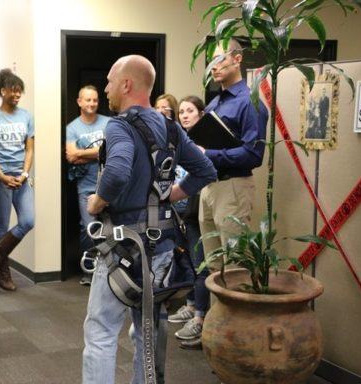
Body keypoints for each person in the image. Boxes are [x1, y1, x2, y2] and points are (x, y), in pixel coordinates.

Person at [82, 55, 216, 383]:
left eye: (111, 81)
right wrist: (168, 196)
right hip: (163, 248)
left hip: (124, 248)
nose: (107, 88)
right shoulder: (169, 126)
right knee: (148, 327)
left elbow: (115, 172)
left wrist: (96, 203)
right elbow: (205, 170)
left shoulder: (119, 125)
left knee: (101, 331)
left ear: (127, 84)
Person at [198, 38, 268, 271]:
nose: (214, 66)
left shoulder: (250, 102)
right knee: (213, 266)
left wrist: (208, 153)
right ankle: (215, 310)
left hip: (233, 187)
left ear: (237, 59)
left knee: (235, 267)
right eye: (211, 61)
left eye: (220, 58)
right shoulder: (214, 103)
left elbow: (253, 154)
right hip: (209, 186)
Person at [0, 69, 34, 292]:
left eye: (20, 91)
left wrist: (23, 174)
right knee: (2, 224)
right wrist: (1, 176)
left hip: (20, 177)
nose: (17, 94)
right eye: (13, 90)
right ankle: (4, 272)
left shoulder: (26, 116)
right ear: (3, 91)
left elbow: (29, 149)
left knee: (28, 220)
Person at [167, 95, 210, 351]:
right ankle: (193, 305)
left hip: (197, 212)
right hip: (183, 214)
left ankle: (200, 318)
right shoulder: (182, 142)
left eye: (190, 111)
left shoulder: (204, 144)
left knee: (201, 266)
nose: (184, 115)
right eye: (181, 111)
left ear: (201, 115)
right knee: (192, 264)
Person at [65, 85, 109, 286]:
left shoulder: (109, 123)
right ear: (79, 102)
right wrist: (98, 152)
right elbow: (71, 157)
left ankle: (108, 270)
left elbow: (110, 151)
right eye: (88, 100)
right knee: (88, 227)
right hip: (85, 186)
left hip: (108, 184)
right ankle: (89, 270)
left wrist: (83, 153)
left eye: (95, 100)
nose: (92, 103)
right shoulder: (72, 128)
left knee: (110, 226)